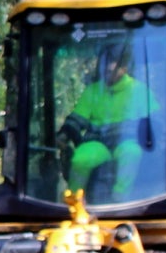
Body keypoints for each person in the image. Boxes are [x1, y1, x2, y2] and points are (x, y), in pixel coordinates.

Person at [63, 43, 153, 198]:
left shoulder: (139, 90)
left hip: (127, 141)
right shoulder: (92, 91)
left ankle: (120, 197)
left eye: (111, 70)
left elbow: (155, 120)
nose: (107, 73)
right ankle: (73, 199)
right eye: (105, 69)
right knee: (80, 158)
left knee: (132, 153)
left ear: (123, 69)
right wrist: (63, 135)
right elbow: (77, 119)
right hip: (98, 142)